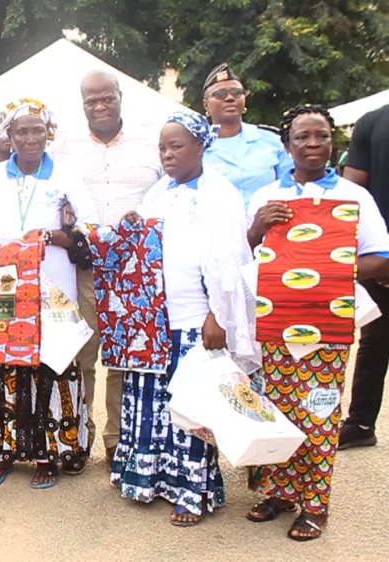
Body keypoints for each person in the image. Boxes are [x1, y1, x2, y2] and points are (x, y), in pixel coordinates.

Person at [245, 104, 389, 541]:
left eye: (322, 136)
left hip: (328, 322)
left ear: (333, 143)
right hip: (277, 322)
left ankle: (315, 504)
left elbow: (381, 256)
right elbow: (242, 255)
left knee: (321, 413)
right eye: (303, 137)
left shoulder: (354, 196)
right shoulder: (268, 196)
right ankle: (280, 491)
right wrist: (255, 228)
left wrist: (329, 269)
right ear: (287, 145)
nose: (313, 145)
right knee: (279, 408)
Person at [111, 112, 255, 526]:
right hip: (155, 321)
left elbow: (230, 262)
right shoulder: (159, 191)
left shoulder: (220, 194)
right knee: (151, 407)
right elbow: (141, 243)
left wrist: (217, 315)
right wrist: (131, 223)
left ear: (200, 146)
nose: (168, 154)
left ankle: (192, 493)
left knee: (190, 409)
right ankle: (150, 481)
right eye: (162, 147)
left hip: (196, 319)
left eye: (176, 146)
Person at [0, 99, 96, 488]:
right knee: (5, 361)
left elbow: (90, 226)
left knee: (50, 365)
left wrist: (54, 235)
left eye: (36, 130)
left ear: (48, 134)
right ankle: (4, 451)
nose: (29, 138)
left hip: (53, 285)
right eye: (21, 131)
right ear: (9, 135)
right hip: (5, 285)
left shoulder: (66, 174)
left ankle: (47, 454)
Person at [49, 70, 162, 466]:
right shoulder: (65, 147)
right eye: (90, 101)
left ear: (120, 96)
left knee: (125, 359)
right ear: (82, 104)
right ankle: (80, 437)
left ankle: (118, 441)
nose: (99, 106)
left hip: (138, 273)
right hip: (86, 266)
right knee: (84, 355)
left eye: (106, 98)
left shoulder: (151, 144)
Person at [339, 104, 389, 449]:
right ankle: (359, 424)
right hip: (382, 251)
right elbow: (351, 194)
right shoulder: (373, 121)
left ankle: (359, 423)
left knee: (374, 341)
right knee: (374, 340)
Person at [201, 63, 293, 208]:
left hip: (267, 226)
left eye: (237, 92)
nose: (230, 98)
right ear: (206, 105)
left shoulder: (272, 141)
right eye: (220, 94)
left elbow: (291, 187)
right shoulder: (196, 146)